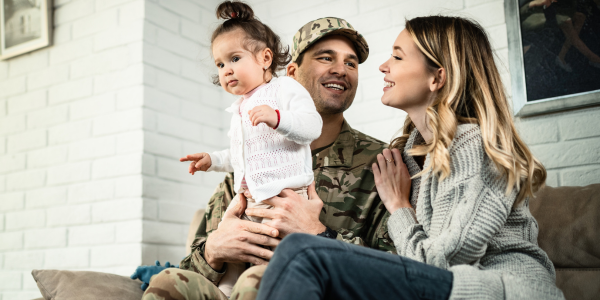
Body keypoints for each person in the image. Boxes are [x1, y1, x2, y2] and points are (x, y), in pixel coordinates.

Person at [255, 16, 566, 300]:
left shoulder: (475, 147)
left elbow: (441, 263)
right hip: (450, 290)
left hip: (500, 292)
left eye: (398, 56)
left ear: (437, 78)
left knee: (304, 253)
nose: (382, 66)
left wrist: (399, 209)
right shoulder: (410, 155)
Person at [139, 11, 394, 300]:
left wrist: (319, 234)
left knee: (258, 282)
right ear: (294, 74)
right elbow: (193, 269)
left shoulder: (381, 163)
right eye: (326, 58)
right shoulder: (247, 164)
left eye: (351, 63)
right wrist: (214, 250)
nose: (342, 69)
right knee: (167, 282)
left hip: (307, 289)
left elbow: (399, 275)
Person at [178, 1, 322, 296]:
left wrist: (278, 118)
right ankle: (227, 291)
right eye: (220, 64)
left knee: (270, 253)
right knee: (235, 250)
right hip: (251, 199)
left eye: (234, 58)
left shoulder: (285, 90)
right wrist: (212, 159)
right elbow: (239, 155)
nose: (226, 70)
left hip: (285, 198)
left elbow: (312, 127)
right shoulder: (241, 108)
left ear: (265, 58)